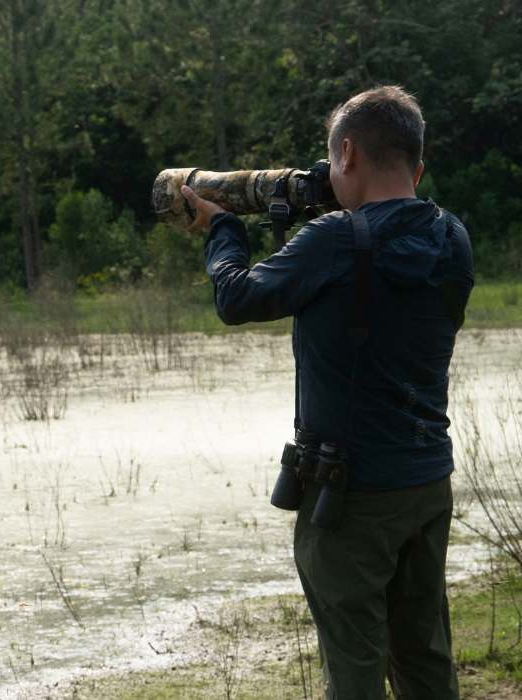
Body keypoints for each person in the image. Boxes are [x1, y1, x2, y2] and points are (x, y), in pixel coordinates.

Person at [181, 85, 475, 698]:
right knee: (424, 655)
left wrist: (222, 229)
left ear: (345, 154)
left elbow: (236, 297)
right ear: (417, 166)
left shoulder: (337, 240)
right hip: (425, 481)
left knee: (354, 667)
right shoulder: (452, 237)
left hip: (350, 496)